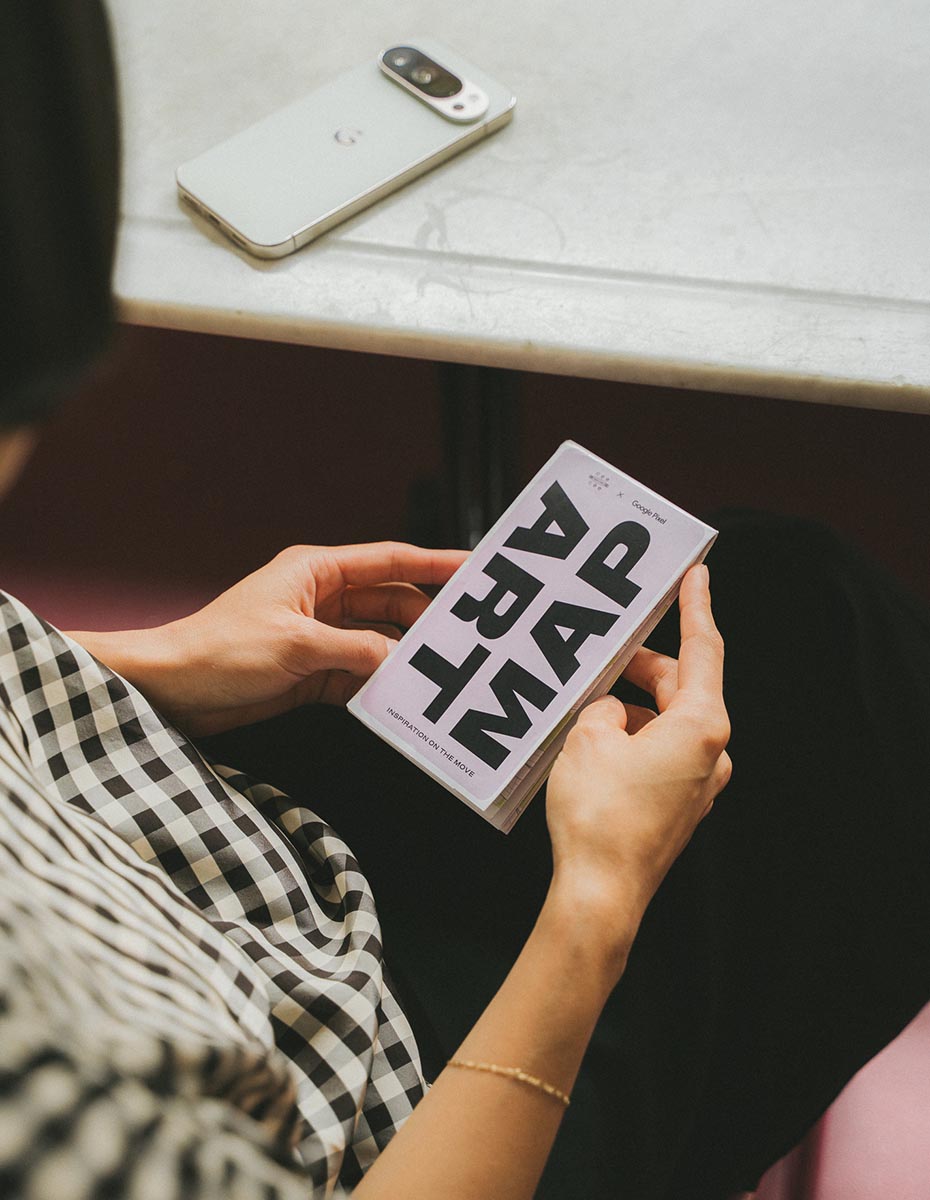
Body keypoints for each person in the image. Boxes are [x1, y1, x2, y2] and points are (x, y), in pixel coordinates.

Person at [4, 6, 930, 1200]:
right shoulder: (45, 1110)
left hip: (183, 831)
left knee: (797, 604)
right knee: (866, 716)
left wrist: (137, 665)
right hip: (388, 1102)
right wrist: (598, 902)